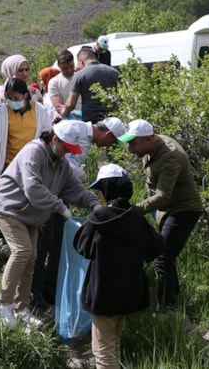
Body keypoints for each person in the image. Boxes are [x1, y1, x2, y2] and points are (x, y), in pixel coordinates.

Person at [0, 120, 102, 328]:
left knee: (31, 257)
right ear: (54, 139)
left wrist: (94, 205)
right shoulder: (34, 152)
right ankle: (2, 305)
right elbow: (32, 188)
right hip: (9, 207)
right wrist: (60, 207)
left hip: (31, 215)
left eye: (70, 150)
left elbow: (74, 188)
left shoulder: (61, 163)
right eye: (65, 148)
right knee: (22, 251)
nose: (67, 153)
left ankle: (21, 307)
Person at [30, 116, 127, 308]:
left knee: (58, 242)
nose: (109, 145)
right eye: (112, 141)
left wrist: (91, 203)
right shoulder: (72, 128)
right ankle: (34, 291)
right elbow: (56, 155)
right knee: (42, 244)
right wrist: (74, 172)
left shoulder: (86, 138)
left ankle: (51, 290)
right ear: (108, 134)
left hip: (61, 194)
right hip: (45, 195)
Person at [74, 164, 164, 369]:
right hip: (130, 293)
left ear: (106, 191)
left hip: (102, 294)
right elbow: (157, 246)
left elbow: (81, 246)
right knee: (114, 343)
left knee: (103, 350)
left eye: (99, 190)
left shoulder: (98, 219)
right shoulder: (137, 217)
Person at [118, 119, 204, 312]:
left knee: (162, 257)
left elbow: (163, 197)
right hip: (168, 210)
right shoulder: (149, 149)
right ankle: (173, 304)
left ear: (148, 139)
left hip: (184, 210)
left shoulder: (169, 156)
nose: (130, 148)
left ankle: (164, 310)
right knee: (167, 256)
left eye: (133, 143)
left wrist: (134, 211)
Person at [0, 78, 52, 179]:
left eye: (16, 98)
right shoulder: (3, 112)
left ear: (25, 95)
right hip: (8, 164)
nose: (12, 102)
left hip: (31, 163)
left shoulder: (40, 111)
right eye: (9, 98)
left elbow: (47, 135)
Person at [60, 48, 119, 124]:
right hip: (115, 121)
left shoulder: (79, 75)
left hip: (93, 122)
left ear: (81, 61)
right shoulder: (114, 72)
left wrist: (63, 112)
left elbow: (71, 104)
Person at [48, 49, 81, 120]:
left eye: (71, 66)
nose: (69, 70)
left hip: (85, 119)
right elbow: (58, 107)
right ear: (59, 66)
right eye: (65, 68)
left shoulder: (80, 77)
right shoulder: (54, 82)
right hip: (66, 121)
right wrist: (75, 113)